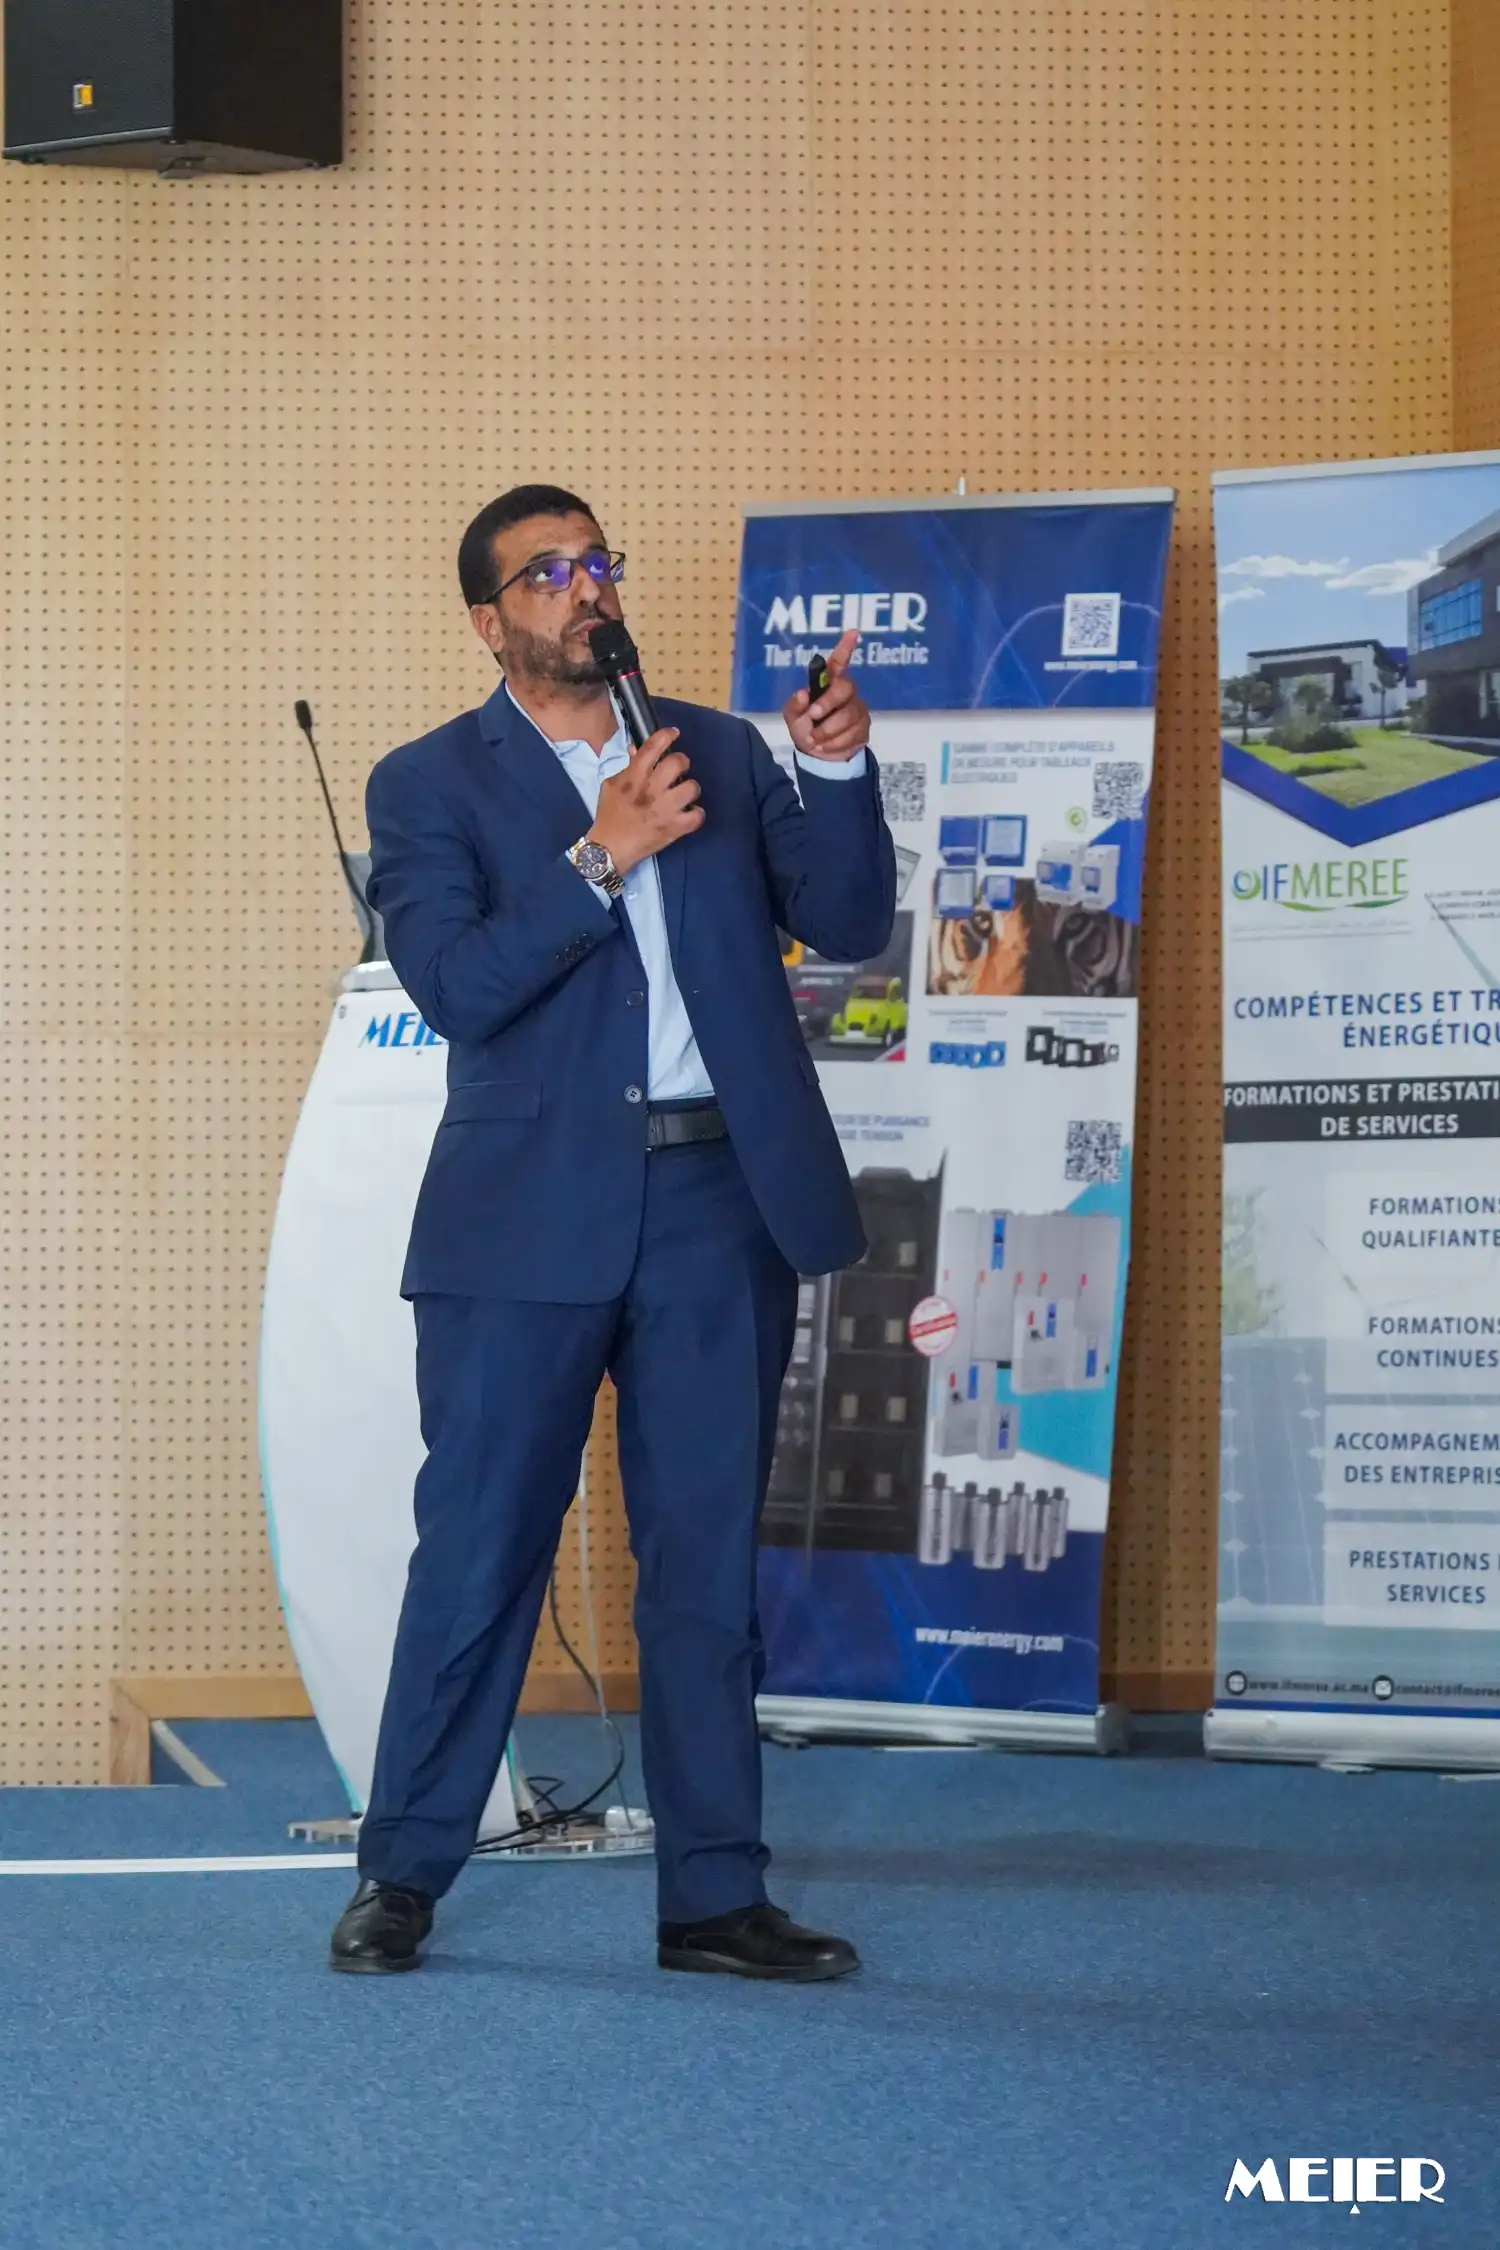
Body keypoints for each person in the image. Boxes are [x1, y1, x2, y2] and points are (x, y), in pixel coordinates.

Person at [329, 484, 895, 1981]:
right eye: (548, 573)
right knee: (479, 1548)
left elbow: (847, 921)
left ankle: (714, 1897)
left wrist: (836, 767)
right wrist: (604, 852)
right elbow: (456, 984)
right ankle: (402, 1871)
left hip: (716, 1200)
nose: (586, 588)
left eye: (598, 562)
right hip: (523, 1212)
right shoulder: (425, 781)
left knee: (702, 1562)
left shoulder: (717, 748)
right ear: (489, 620)